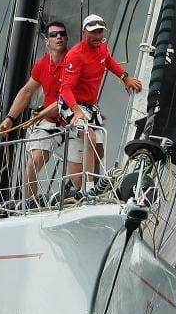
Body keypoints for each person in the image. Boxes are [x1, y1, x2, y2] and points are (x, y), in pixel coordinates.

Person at [58, 14, 142, 189]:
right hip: (71, 103)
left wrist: (124, 77)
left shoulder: (102, 46)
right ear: (84, 33)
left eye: (100, 32)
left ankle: (83, 177)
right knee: (90, 136)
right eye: (93, 32)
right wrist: (76, 110)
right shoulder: (76, 55)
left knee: (100, 150)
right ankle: (89, 189)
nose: (97, 36)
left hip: (90, 106)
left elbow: (109, 61)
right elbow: (65, 89)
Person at [0, 20, 75, 199]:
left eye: (62, 34)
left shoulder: (74, 60)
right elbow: (26, 91)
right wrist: (10, 117)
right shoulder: (42, 64)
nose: (59, 37)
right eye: (54, 34)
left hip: (73, 118)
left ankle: (84, 194)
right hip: (50, 123)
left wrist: (40, 114)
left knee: (78, 171)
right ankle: (29, 205)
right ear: (46, 41)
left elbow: (66, 99)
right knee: (32, 165)